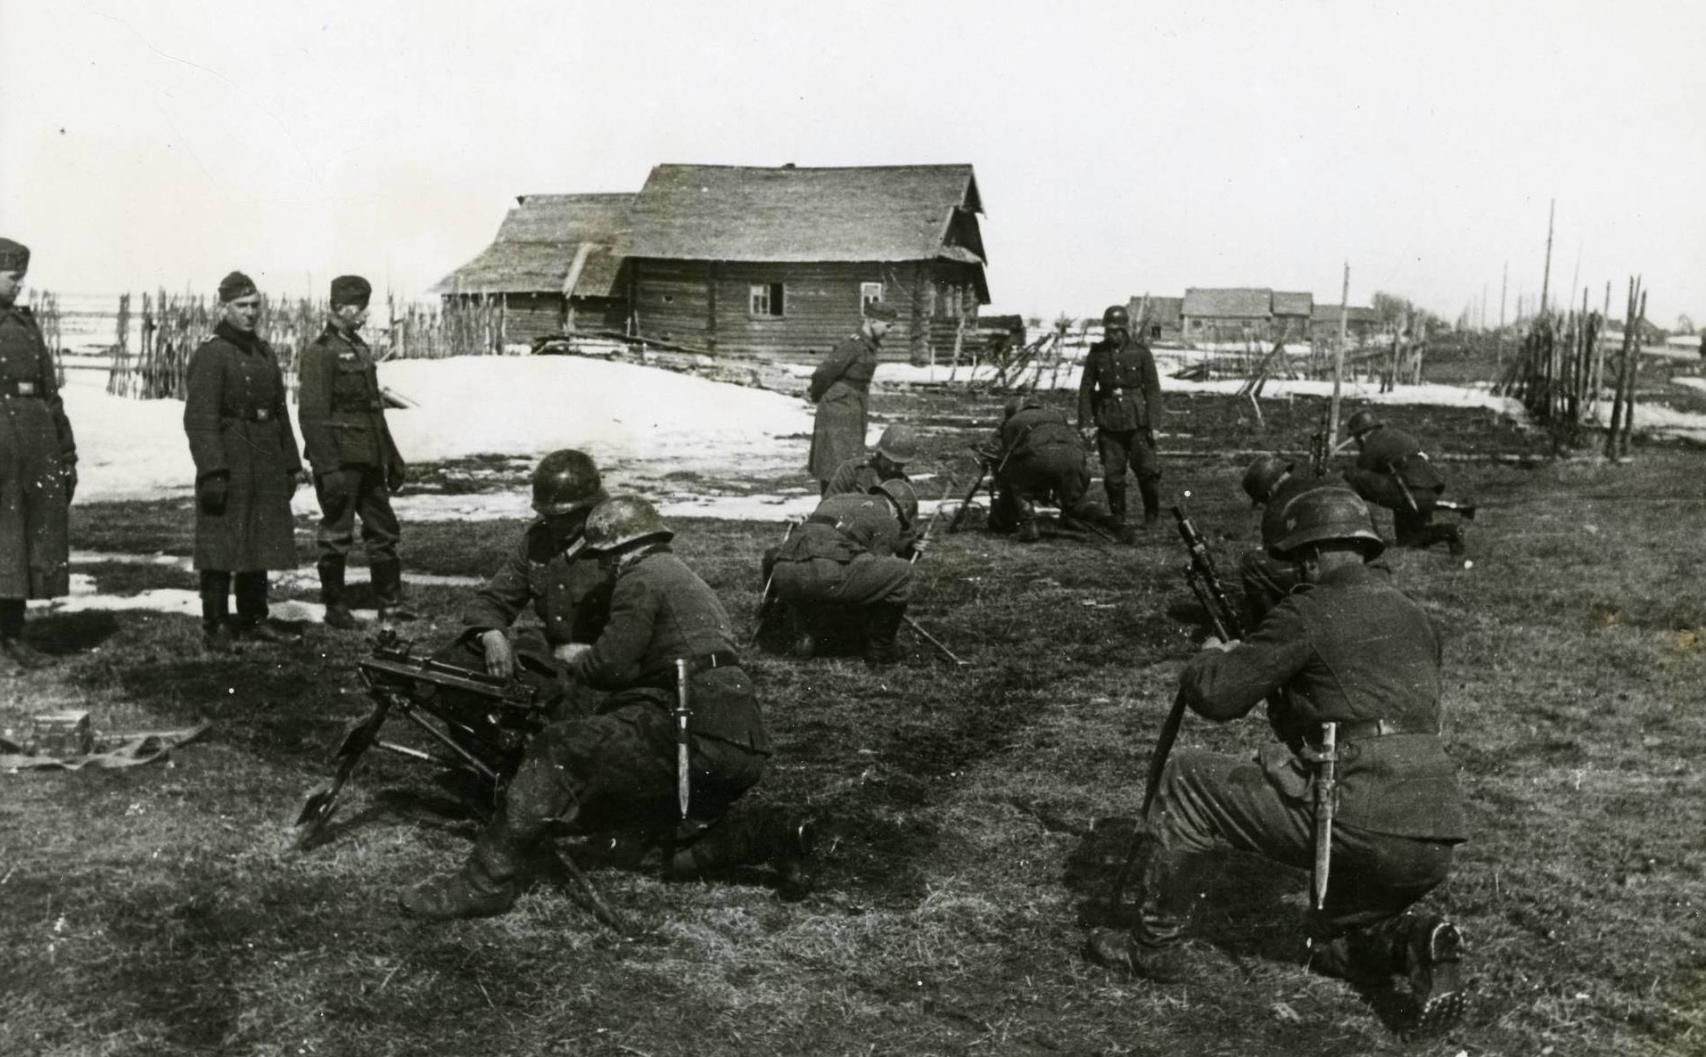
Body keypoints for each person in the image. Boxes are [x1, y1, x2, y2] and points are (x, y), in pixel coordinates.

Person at [1084, 487, 1470, 1036]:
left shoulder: (1308, 609)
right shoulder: (1414, 616)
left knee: (1189, 777)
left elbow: (1216, 697)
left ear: (1311, 556)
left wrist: (1211, 656)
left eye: (1296, 560)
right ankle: (1418, 940)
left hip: (1361, 816)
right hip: (1432, 832)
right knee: (1329, 944)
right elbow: (1343, 712)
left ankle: (1153, 946)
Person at [400, 495, 811, 919]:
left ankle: (484, 883)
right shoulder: (685, 578)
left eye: (606, 558)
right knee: (640, 847)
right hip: (738, 742)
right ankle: (777, 834)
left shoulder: (640, 577)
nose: (606, 568)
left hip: (687, 731)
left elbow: (611, 665)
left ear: (622, 548)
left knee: (557, 747)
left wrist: (574, 657)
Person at [183, 271, 303, 648]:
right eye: (241, 306)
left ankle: (254, 618)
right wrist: (213, 470)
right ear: (224, 307)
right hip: (230, 457)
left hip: (264, 454)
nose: (250, 313)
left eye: (255, 306)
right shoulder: (212, 353)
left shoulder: (264, 352)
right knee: (221, 541)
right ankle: (215, 623)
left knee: (259, 538)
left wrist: (289, 463)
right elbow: (200, 419)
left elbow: (280, 410)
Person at [297, 274, 415, 629]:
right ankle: (335, 606)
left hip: (369, 457)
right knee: (337, 535)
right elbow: (312, 416)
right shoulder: (321, 353)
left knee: (384, 531)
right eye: (361, 308)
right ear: (342, 307)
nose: (365, 315)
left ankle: (390, 605)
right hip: (340, 461)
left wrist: (391, 456)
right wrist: (328, 469)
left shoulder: (360, 349)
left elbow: (373, 409)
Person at [448, 449, 613, 700]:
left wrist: (594, 652)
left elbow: (642, 619)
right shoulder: (539, 542)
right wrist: (492, 635)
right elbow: (494, 600)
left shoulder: (615, 545)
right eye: (549, 516)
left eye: (566, 517)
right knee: (459, 660)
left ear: (590, 509)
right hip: (554, 657)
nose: (556, 526)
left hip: (606, 666)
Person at [0, 237, 77, 671]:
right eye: (13, 277)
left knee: (25, 538)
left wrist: (66, 452)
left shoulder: (27, 325)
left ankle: (13, 634)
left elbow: (50, 392)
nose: (20, 285)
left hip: (34, 443)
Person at [766, 478, 919, 664]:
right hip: (823, 576)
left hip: (783, 572)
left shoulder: (839, 499)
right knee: (902, 573)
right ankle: (881, 651)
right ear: (899, 511)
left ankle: (799, 635)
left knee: (829, 575)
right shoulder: (888, 519)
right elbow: (878, 565)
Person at [1078, 304, 1163, 542]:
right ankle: (1119, 519)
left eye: (1116, 330)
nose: (1112, 334)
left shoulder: (1140, 353)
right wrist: (1086, 422)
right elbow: (1086, 390)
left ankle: (1152, 516)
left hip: (1138, 422)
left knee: (1147, 472)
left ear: (1125, 329)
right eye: (1108, 330)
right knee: (1113, 476)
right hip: (1109, 423)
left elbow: (1153, 391)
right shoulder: (1097, 354)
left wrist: (1154, 424)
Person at [983, 394, 1112, 543]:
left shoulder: (1014, 421)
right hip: (1073, 459)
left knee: (1018, 483)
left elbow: (1007, 453)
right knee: (1075, 502)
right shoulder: (1057, 416)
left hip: (1038, 459)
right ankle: (1106, 520)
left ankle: (1028, 525)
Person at [1340, 410, 1465, 556]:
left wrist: (1345, 472)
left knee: (1355, 478)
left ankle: (1360, 532)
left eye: (1356, 437)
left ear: (1361, 435)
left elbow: (1362, 468)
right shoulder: (1397, 435)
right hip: (1428, 490)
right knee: (1408, 540)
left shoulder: (1372, 443)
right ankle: (1450, 531)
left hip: (1409, 491)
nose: (1357, 442)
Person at [1236, 454, 1338, 625]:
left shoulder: (1276, 510)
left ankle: (1271, 626)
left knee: (1253, 565)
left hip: (1322, 576)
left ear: (1268, 493)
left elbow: (1276, 556)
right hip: (1358, 565)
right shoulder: (1320, 480)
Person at [808, 303, 896, 495]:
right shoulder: (852, 345)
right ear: (872, 321)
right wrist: (819, 396)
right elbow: (823, 374)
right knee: (835, 466)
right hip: (838, 410)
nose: (890, 330)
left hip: (852, 408)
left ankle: (840, 511)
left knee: (849, 466)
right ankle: (830, 512)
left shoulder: (867, 346)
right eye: (887, 325)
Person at [823, 422, 918, 498]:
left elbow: (906, 520)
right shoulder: (852, 471)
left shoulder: (904, 489)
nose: (892, 469)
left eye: (899, 465)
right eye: (888, 462)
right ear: (880, 454)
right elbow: (827, 507)